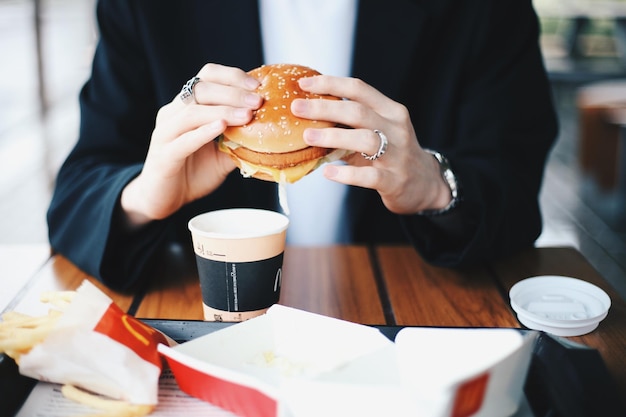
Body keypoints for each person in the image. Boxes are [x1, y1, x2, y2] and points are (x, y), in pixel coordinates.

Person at [47, 0, 558, 292]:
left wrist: (437, 186)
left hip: (412, 308)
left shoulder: (485, 10)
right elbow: (74, 199)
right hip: (203, 312)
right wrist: (143, 196)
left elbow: (515, 190)